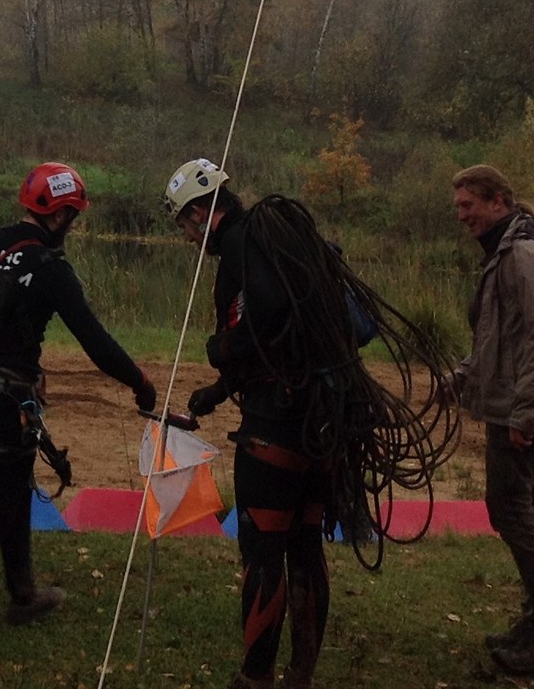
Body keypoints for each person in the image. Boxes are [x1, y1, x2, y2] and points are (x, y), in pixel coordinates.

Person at [0, 162, 157, 648]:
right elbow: (94, 339)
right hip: (6, 401)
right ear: (60, 217)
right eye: (72, 217)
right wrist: (139, 381)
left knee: (13, 488)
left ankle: (23, 595)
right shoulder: (50, 267)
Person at [164, 157, 355, 689]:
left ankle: (255, 679)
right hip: (325, 424)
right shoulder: (289, 247)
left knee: (265, 552)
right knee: (306, 544)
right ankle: (301, 674)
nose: (187, 236)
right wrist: (220, 391)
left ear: (202, 212)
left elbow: (257, 324)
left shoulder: (241, 249)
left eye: (184, 223)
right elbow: (287, 335)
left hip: (275, 428)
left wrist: (218, 351)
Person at [450, 163, 534, 677]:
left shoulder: (523, 254)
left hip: (525, 409)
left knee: (510, 509)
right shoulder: (509, 251)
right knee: (522, 506)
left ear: (499, 202)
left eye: (469, 206)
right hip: (518, 403)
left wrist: (526, 413)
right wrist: (462, 375)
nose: (463, 216)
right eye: (459, 207)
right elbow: (500, 337)